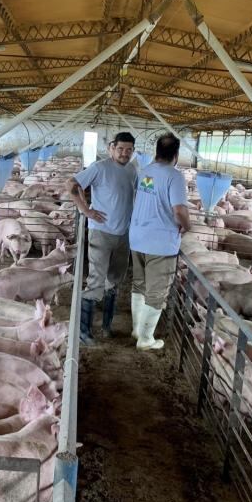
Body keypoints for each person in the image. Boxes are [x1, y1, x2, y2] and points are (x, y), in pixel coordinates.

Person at [67, 132, 138, 345]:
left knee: (114, 281)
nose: (125, 153)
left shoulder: (133, 170)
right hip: (101, 232)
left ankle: (106, 327)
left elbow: (142, 192)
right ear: (111, 148)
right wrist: (86, 211)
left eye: (129, 150)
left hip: (124, 234)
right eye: (121, 149)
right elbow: (71, 184)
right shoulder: (100, 167)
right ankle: (83, 332)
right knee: (96, 281)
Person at [127, 133, 191, 350]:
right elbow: (180, 210)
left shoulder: (146, 171)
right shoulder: (175, 176)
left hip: (137, 237)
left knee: (139, 283)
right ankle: (145, 339)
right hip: (160, 242)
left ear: (156, 152)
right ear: (176, 154)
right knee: (157, 292)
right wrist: (188, 226)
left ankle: (137, 328)